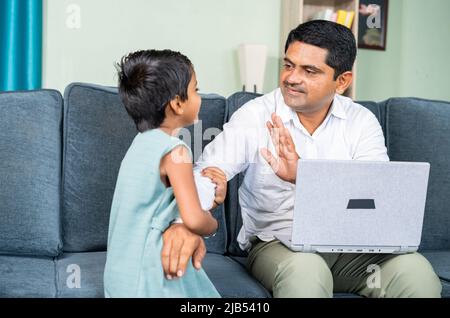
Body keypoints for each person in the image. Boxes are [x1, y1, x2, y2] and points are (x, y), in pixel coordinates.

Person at [162, 21, 442, 298]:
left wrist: (302, 176)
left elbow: (374, 198)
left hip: (353, 252)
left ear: (342, 81)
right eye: (288, 65)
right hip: (280, 246)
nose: (292, 78)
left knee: (416, 273)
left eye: (310, 71)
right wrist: (183, 223)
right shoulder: (256, 115)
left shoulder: (361, 122)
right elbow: (209, 172)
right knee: (306, 271)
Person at [103, 49, 225, 298]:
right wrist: (213, 223)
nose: (199, 97)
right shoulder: (176, 151)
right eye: (196, 90)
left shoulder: (139, 145)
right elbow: (192, 219)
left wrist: (212, 196)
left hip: (120, 276)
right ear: (178, 104)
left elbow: (161, 206)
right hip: (151, 275)